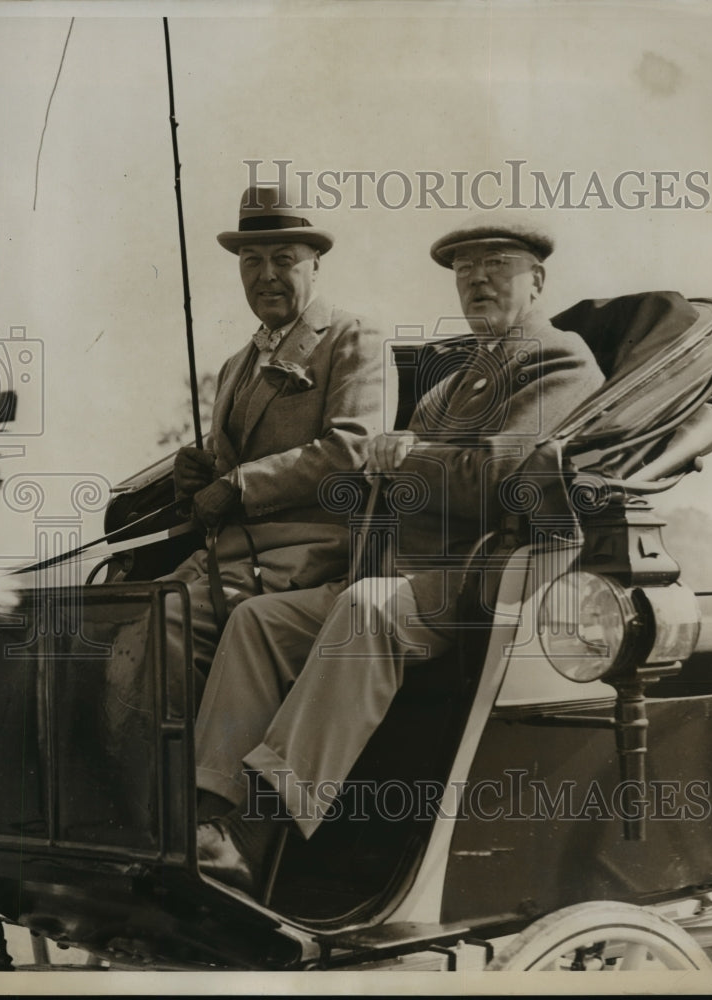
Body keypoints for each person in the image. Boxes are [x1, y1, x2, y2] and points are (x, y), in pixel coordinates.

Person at [194, 213, 606, 897]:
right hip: (402, 577)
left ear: (537, 279)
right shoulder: (449, 385)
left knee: (365, 609)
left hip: (481, 582)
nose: (476, 278)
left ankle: (258, 830)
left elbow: (510, 477)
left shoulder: (560, 360)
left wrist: (412, 456)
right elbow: (392, 487)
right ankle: (211, 818)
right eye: (464, 268)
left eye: (496, 265)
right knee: (258, 621)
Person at [161, 185, 391, 700]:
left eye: (283, 258)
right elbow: (224, 477)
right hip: (227, 562)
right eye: (250, 261)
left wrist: (240, 484)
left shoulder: (353, 338)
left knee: (160, 624)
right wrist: (196, 478)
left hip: (311, 562)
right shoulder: (233, 365)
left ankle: (192, 776)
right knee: (123, 616)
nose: (265, 275)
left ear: (315, 264)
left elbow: (351, 450)